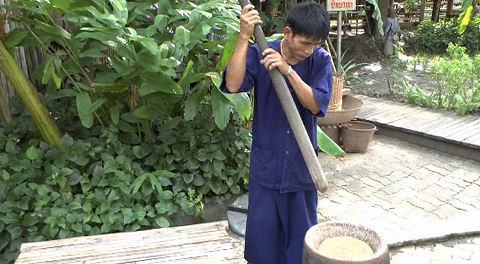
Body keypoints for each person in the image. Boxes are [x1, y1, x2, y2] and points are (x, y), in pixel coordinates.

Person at [220, 2, 332, 263]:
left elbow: (316, 104)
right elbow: (233, 84)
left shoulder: (320, 60)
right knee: (263, 247)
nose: (309, 50)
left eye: (315, 44)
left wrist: (287, 70)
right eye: (305, 43)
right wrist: (245, 37)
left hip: (302, 168)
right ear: (287, 33)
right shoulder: (262, 49)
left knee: (301, 247)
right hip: (267, 168)